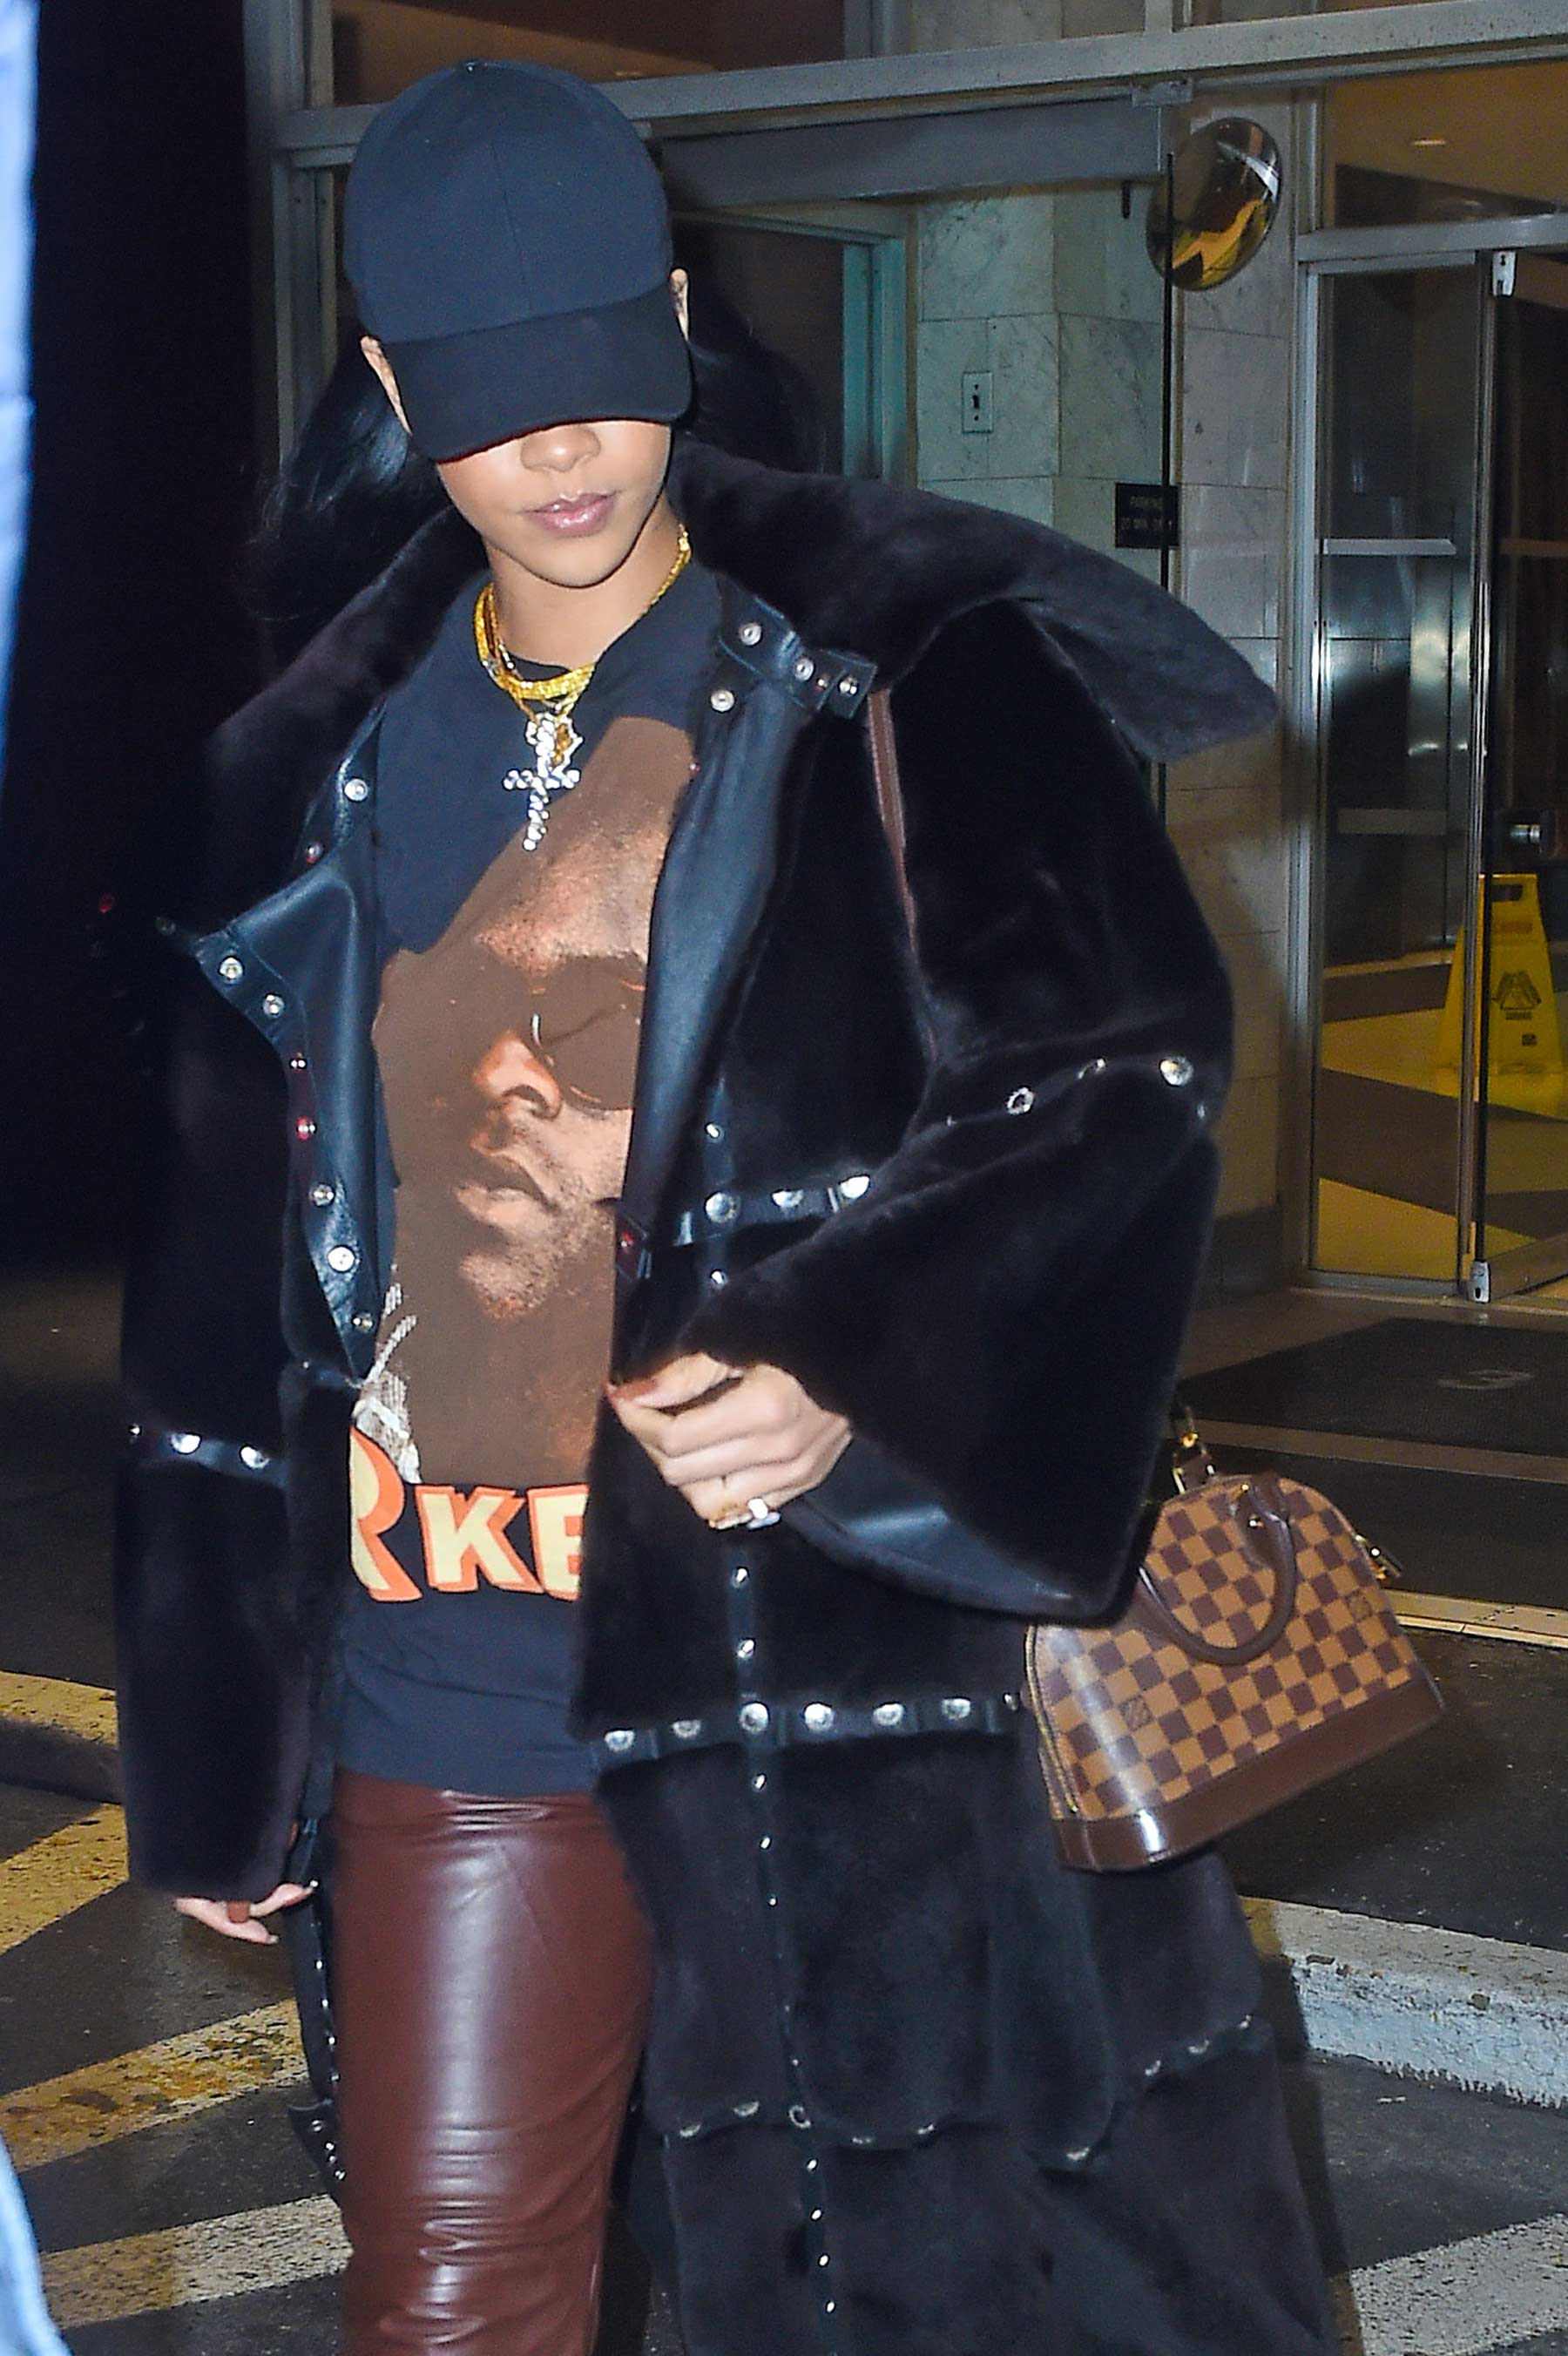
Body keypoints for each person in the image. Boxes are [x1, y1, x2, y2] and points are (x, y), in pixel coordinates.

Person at [111, 57, 1338, 2356]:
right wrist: (221, 1743)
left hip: (839, 1655)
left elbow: (1117, 1074)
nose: (561, 449)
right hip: (455, 1657)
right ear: (390, 385)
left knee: (910, 2297)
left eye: (601, 366)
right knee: (454, 2308)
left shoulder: (899, 660)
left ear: (676, 321)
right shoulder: (310, 765)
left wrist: (857, 1362)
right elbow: (221, 1281)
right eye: (487, 394)